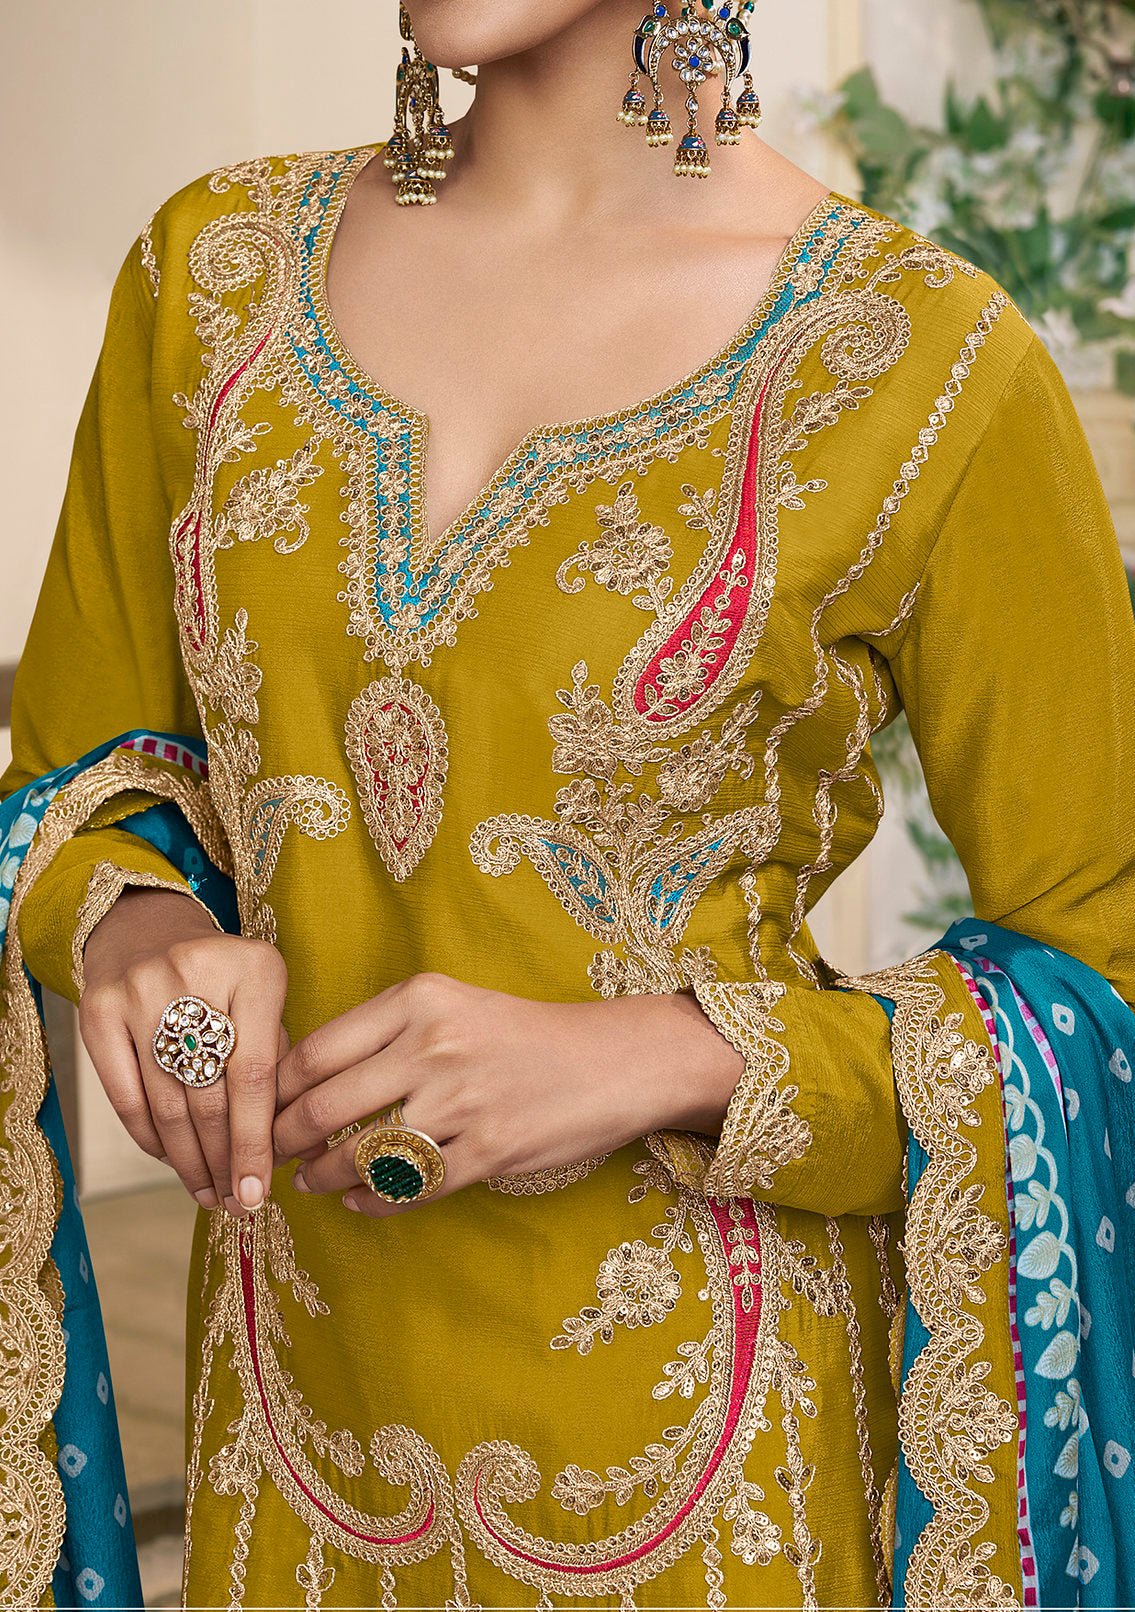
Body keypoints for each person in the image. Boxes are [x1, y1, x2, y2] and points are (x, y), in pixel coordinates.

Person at [2, 2, 1133, 1607]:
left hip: (719, 1480)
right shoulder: (212, 277)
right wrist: (149, 947)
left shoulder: (923, 366)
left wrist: (664, 1054)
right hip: (294, 1441)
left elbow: (1107, 982)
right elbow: (75, 782)